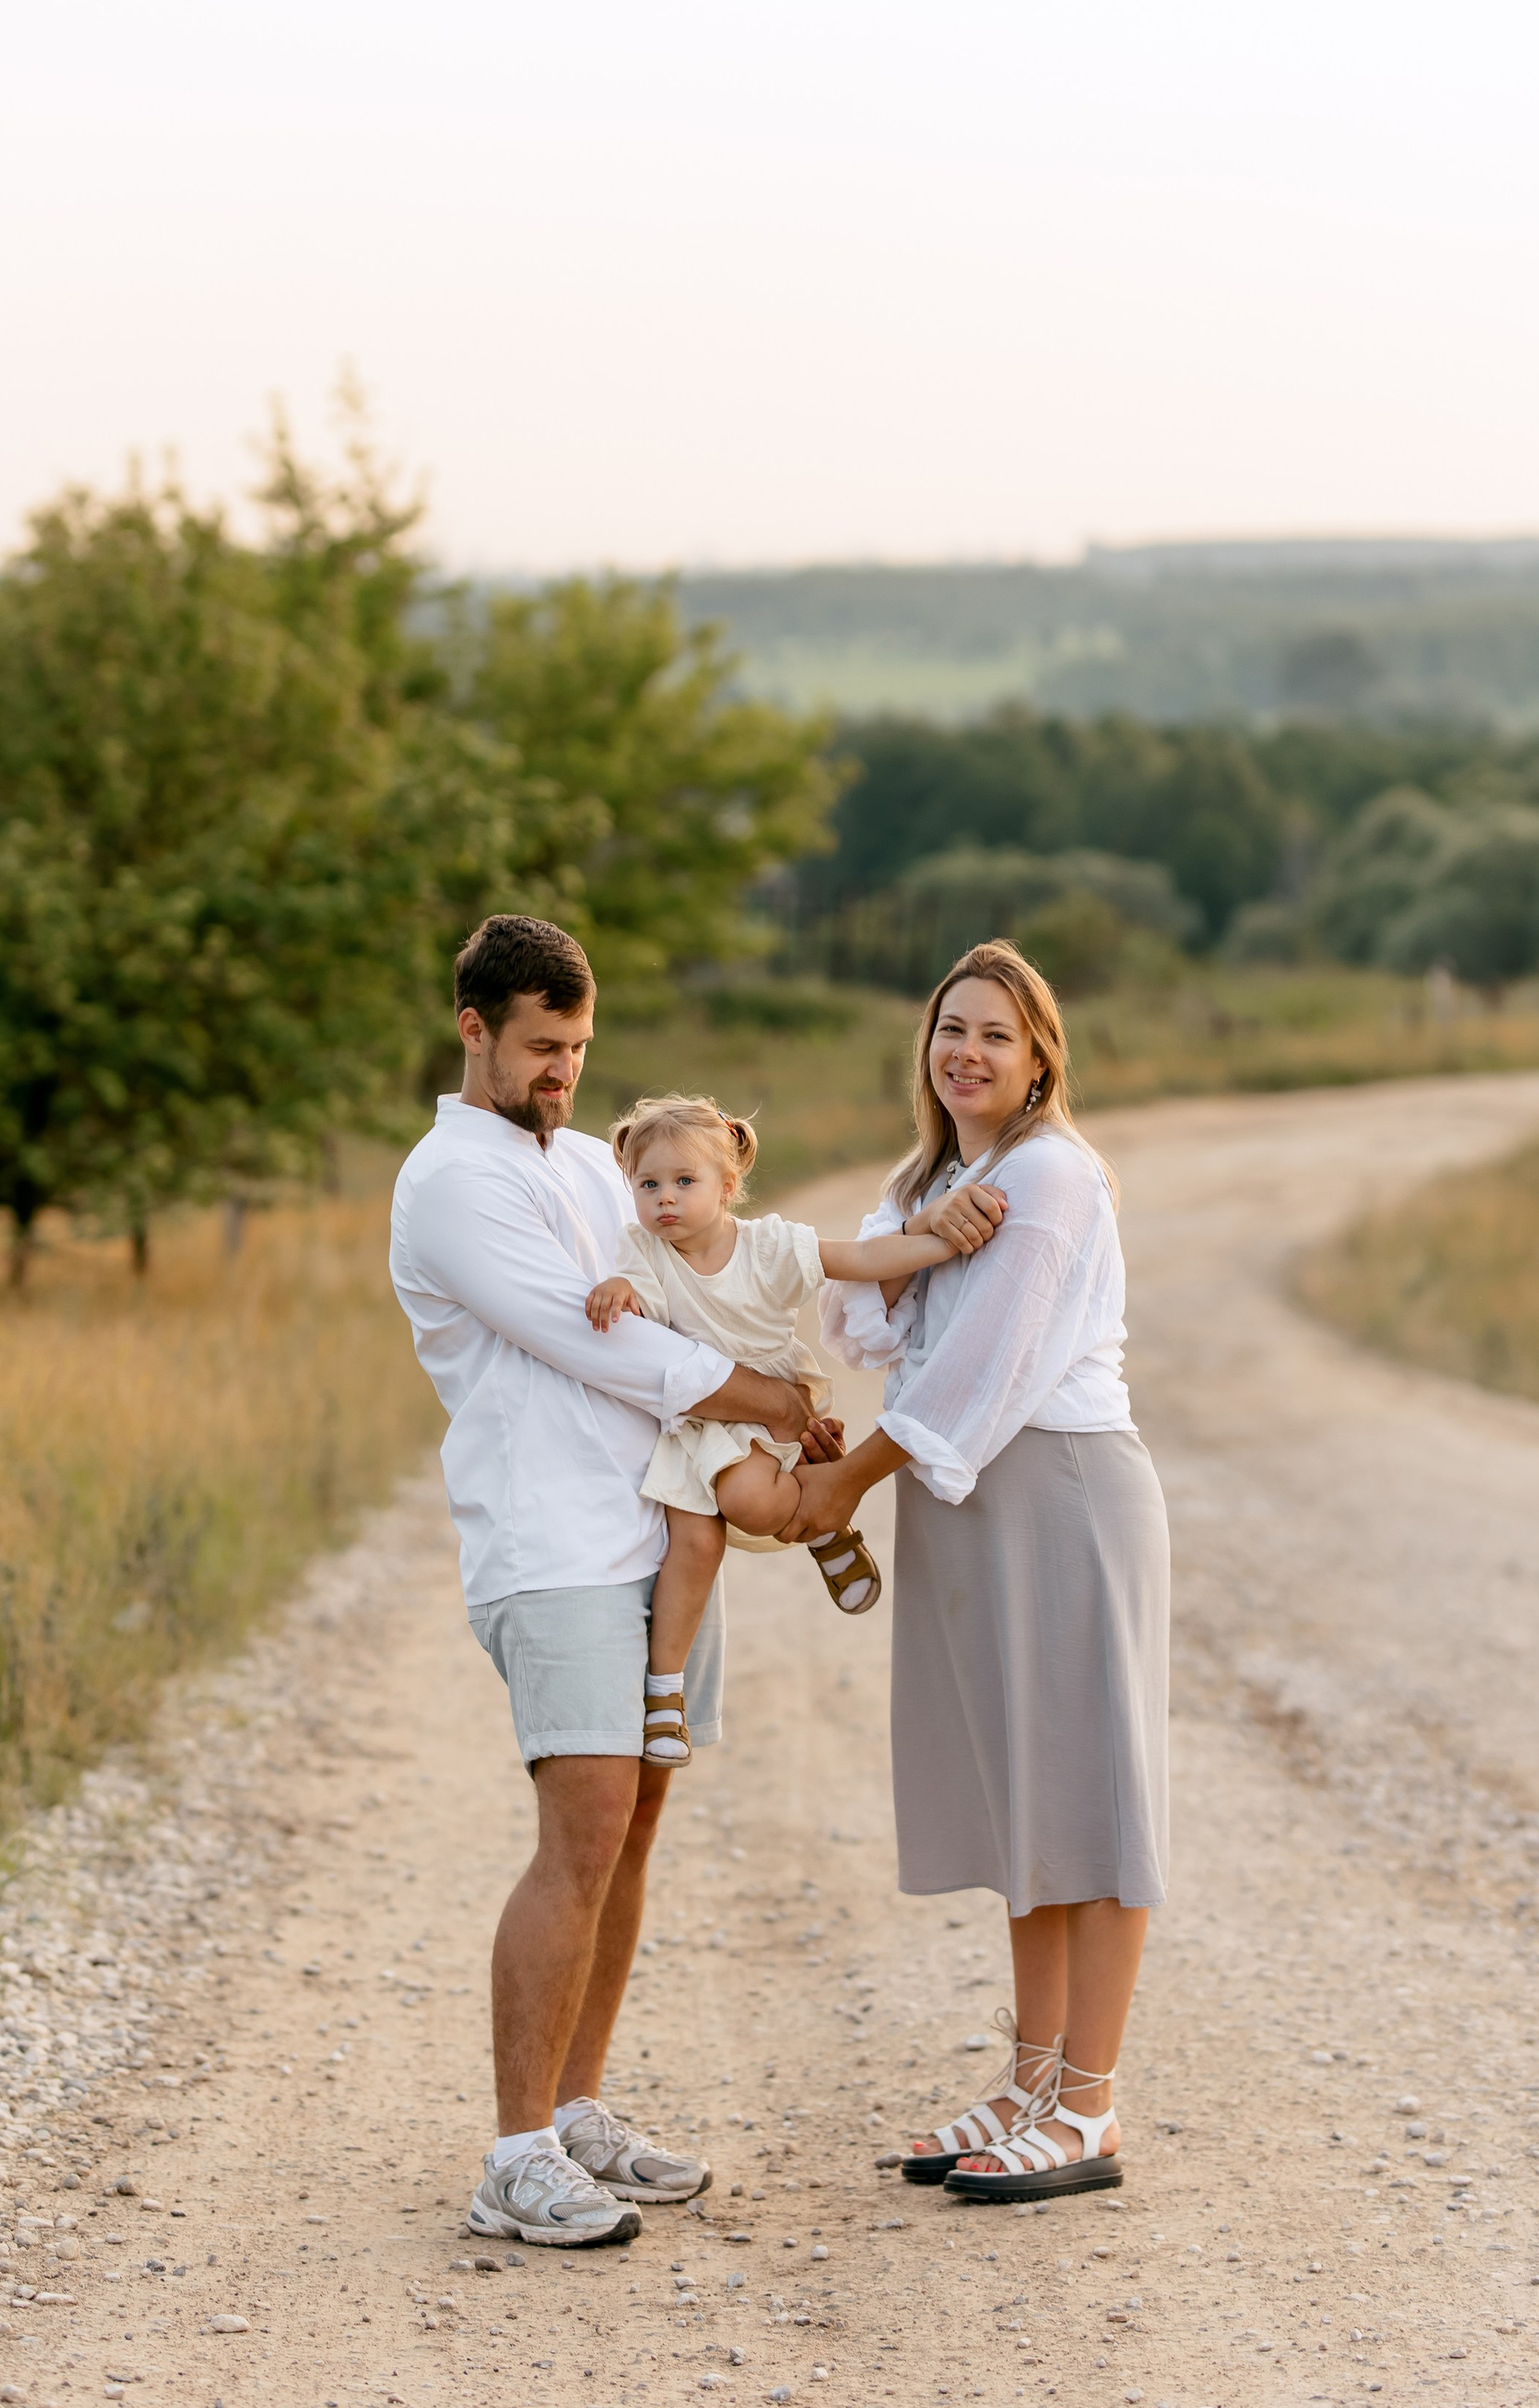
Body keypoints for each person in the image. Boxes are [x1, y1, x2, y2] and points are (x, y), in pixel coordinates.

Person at [389, 916, 819, 2250]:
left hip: (656, 1532)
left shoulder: (593, 1163)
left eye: (579, 1046)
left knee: (633, 1825)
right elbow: (611, 1353)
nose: (565, 1072)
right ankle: (514, 2158)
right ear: (474, 1031)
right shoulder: (450, 1184)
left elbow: (708, 1275)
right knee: (578, 1834)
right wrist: (767, 1398)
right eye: (541, 1047)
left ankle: (578, 2111)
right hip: (551, 1543)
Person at [794, 938, 1171, 2202]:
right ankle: (1029, 2082)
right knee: (1027, 1802)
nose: (967, 1052)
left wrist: (846, 1481)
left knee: (1093, 1800)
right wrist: (915, 1231)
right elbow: (860, 1322)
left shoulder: (1052, 1175)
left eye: (996, 1034)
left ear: (1040, 1058)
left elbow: (983, 1366)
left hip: (1060, 1491)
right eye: (951, 1028)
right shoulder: (940, 1181)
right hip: (965, 1499)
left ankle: (1089, 2106)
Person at [584, 1090, 991, 1766]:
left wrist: (937, 1242)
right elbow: (634, 1292)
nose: (665, 1199)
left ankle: (821, 1521)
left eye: (684, 1181)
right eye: (648, 1185)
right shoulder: (644, 1252)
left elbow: (861, 1260)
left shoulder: (767, 1245)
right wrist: (617, 1290)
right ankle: (665, 1696)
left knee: (750, 1501)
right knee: (693, 1547)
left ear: (727, 1185)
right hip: (701, 1419)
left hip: (770, 1407)